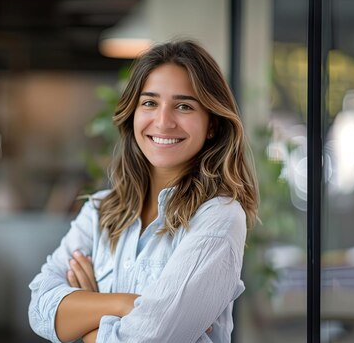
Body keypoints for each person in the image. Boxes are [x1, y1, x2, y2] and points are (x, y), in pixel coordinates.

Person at [29, 40, 258, 343]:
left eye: (184, 106)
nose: (163, 122)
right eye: (149, 103)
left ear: (212, 124)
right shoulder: (99, 212)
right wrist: (125, 303)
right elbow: (39, 309)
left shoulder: (218, 218)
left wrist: (86, 316)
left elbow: (146, 340)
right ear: (133, 113)